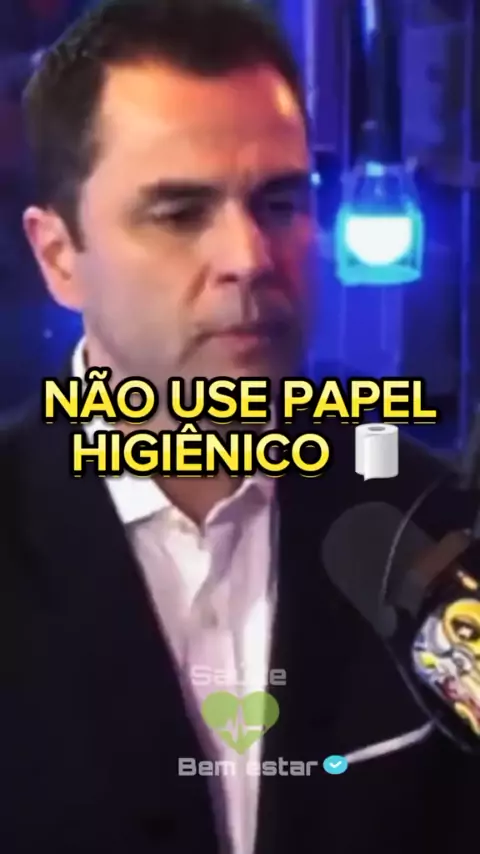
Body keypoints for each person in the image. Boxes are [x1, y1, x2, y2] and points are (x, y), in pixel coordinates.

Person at [0, 1, 477, 852]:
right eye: (179, 212)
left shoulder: (434, 520)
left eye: (279, 202)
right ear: (59, 256)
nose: (250, 258)